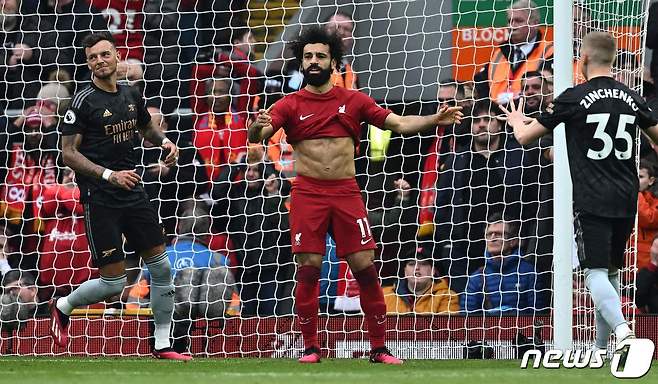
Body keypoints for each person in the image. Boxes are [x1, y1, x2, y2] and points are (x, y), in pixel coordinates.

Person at [247, 26, 462, 364]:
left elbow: (399, 124)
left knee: (366, 269)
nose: (314, 61)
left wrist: (436, 118)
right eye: (308, 57)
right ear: (301, 63)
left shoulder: (354, 100)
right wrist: (256, 125)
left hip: (346, 193)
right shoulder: (289, 104)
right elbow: (259, 133)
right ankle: (311, 348)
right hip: (307, 194)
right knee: (308, 270)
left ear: (334, 61)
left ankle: (379, 348)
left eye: (320, 56)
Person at [501, 31, 658, 353]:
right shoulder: (632, 97)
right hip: (627, 195)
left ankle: (625, 333)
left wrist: (517, 120)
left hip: (592, 196)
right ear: (613, 60)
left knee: (594, 273)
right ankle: (602, 348)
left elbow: (526, 138)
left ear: (583, 59)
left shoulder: (574, 97)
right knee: (612, 271)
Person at [49, 32, 189, 360]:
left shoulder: (131, 94)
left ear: (116, 56)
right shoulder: (81, 102)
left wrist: (165, 142)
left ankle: (162, 343)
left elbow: (145, 128)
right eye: (92, 57)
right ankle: (64, 306)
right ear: (88, 63)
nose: (99, 61)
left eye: (104, 54)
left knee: (161, 268)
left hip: (134, 192)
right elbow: (68, 153)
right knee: (114, 284)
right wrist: (109, 174)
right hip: (100, 198)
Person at [461, 212, 544, 314]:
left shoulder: (530, 273)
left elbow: (538, 316)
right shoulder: (476, 278)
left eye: (499, 234)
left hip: (522, 329)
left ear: (513, 241)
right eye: (489, 234)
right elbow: (467, 319)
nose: (493, 238)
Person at [474, 0, 553, 105]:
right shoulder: (499, 53)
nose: (512, 26)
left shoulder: (550, 51)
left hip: (533, 116)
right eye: (510, 21)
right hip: (498, 116)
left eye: (518, 21)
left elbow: (550, 90)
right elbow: (481, 83)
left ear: (534, 24)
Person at [382, 246, 459, 314]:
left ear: (433, 271)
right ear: (405, 271)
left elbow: (445, 328)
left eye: (423, 264)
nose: (417, 268)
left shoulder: (447, 297)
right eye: (412, 264)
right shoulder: (385, 295)